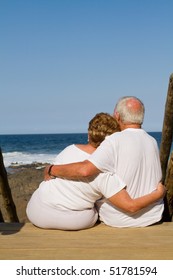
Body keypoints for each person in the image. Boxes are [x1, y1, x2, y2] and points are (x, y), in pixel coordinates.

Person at [27, 112, 165, 230]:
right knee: (95, 211)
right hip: (68, 220)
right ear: (114, 139)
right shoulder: (105, 172)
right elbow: (130, 206)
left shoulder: (69, 148)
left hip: (35, 210)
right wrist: (158, 194)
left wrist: (50, 169)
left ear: (89, 134)